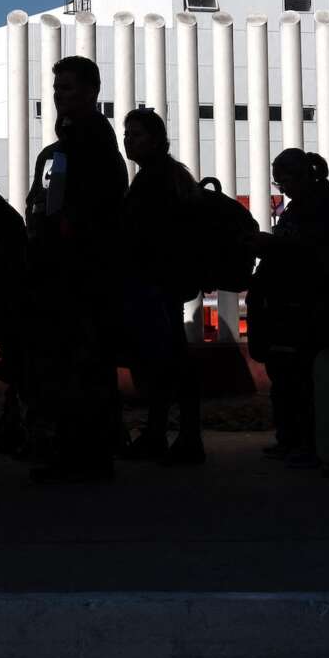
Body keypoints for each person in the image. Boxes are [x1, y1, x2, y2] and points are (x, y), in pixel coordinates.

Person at [20, 54, 129, 484]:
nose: (59, 95)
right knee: (71, 364)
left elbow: (95, 206)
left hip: (83, 272)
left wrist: (65, 229)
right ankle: (76, 452)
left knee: (83, 365)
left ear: (91, 92)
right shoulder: (70, 139)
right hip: (70, 269)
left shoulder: (92, 141)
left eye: (67, 88)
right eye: (57, 88)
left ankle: (87, 457)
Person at [118, 108, 204, 465]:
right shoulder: (170, 174)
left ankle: (167, 436)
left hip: (156, 282)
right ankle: (178, 435)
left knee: (161, 362)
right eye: (127, 134)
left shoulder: (155, 179)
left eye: (136, 134)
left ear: (155, 139)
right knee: (170, 360)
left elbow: (147, 232)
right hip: (168, 282)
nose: (128, 140)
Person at [253, 148, 329, 465]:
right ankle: (292, 438)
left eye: (286, 180)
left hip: (311, 303)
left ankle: (304, 441)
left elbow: (312, 250)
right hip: (294, 302)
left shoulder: (322, 205)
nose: (284, 187)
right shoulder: (307, 205)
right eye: (279, 182)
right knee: (287, 375)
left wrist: (273, 245)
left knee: (300, 377)